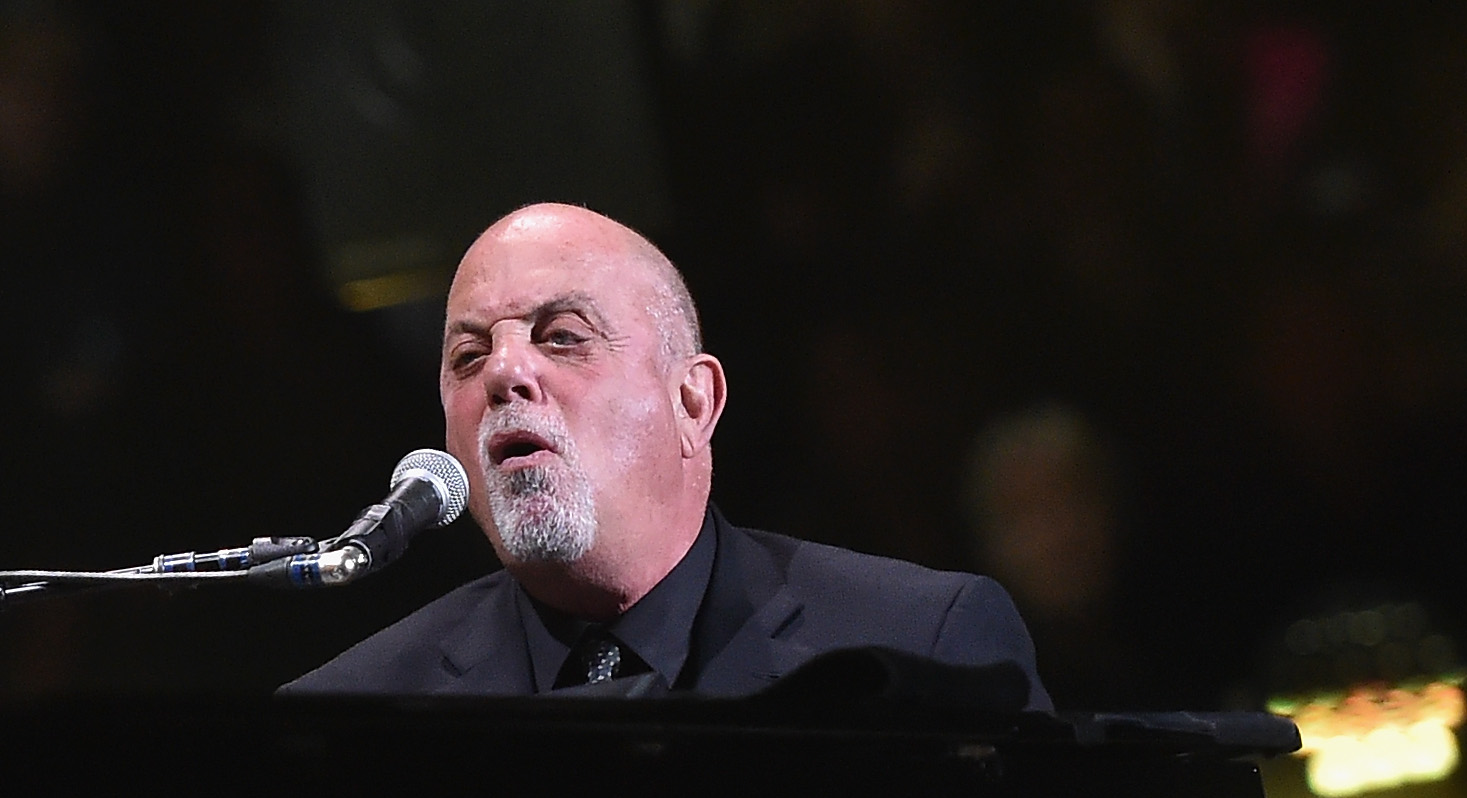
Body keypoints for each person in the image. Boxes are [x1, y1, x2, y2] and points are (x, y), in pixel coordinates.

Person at [281, 203, 1052, 712]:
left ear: (694, 403)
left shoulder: (920, 643)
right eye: (468, 354)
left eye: (562, 337)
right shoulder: (358, 711)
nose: (505, 373)